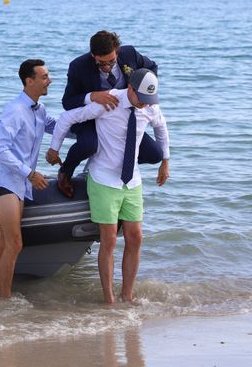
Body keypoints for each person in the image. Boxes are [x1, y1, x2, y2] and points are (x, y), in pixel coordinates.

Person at [47, 68, 170, 304]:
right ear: (131, 89)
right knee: (110, 239)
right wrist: (54, 148)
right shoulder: (109, 101)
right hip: (103, 179)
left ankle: (128, 295)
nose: (145, 105)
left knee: (136, 238)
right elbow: (67, 118)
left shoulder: (150, 107)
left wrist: (165, 161)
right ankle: (109, 299)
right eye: (141, 99)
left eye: (149, 100)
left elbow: (161, 128)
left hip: (132, 180)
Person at [57, 31, 163, 198]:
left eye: (111, 62)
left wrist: (143, 90)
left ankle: (110, 164)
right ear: (93, 55)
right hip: (91, 117)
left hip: (123, 116)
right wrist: (92, 96)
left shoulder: (130, 54)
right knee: (89, 145)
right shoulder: (78, 66)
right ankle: (65, 172)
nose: (106, 67)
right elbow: (68, 102)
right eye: (101, 63)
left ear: (117, 51)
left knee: (155, 154)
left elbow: (151, 68)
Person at [0, 59, 55, 298]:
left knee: (5, 244)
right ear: (30, 81)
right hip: (6, 181)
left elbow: (56, 127)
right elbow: (0, 150)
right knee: (14, 243)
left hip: (20, 184)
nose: (50, 80)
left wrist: (89, 126)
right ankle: (5, 301)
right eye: (45, 76)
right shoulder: (14, 110)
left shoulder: (41, 109)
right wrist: (30, 173)